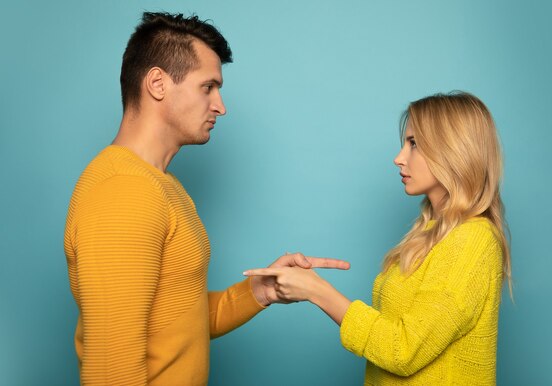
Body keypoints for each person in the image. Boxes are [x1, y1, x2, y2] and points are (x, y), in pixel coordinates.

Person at [63, 12, 349, 386]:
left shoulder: (163, 186)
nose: (220, 105)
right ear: (157, 84)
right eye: (208, 87)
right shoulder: (123, 191)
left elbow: (182, 321)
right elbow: (109, 371)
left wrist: (260, 291)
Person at [245, 91, 511, 385]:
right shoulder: (430, 231)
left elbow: (402, 350)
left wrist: (317, 291)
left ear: (454, 150)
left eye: (414, 144)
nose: (399, 158)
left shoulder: (473, 240)